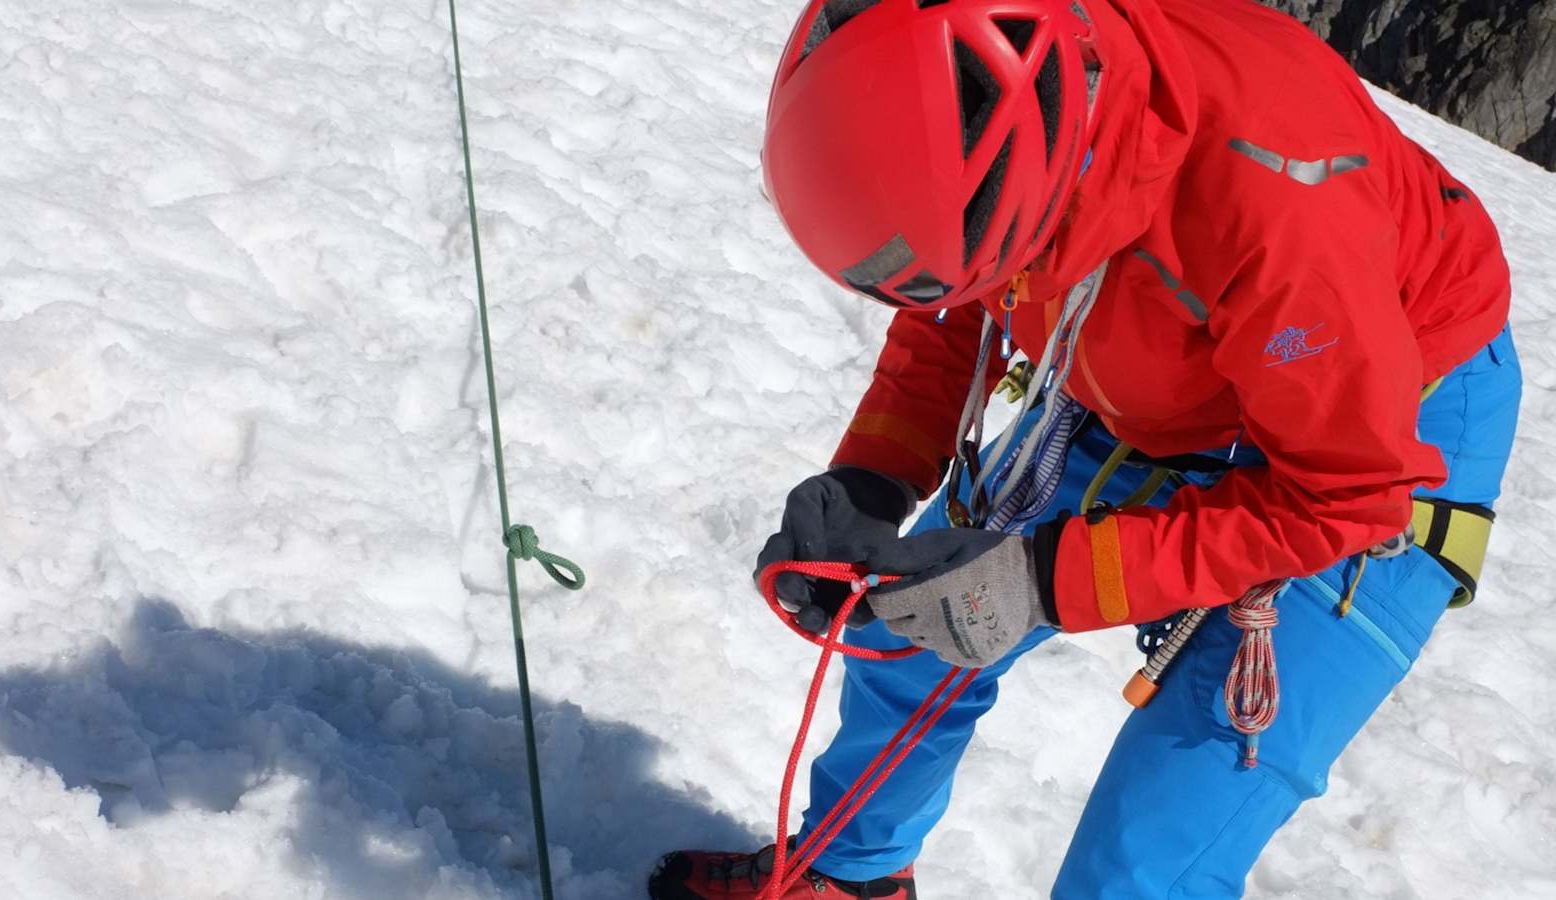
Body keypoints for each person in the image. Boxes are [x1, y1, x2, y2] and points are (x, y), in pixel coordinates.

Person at [649, 0, 1522, 897]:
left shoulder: (1281, 206)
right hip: (1156, 340)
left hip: (1376, 418)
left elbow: (1345, 494)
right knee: (921, 621)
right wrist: (873, 475)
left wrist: (1043, 579)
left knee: (1145, 853)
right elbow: (962, 288)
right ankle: (848, 876)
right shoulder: (1004, 114)